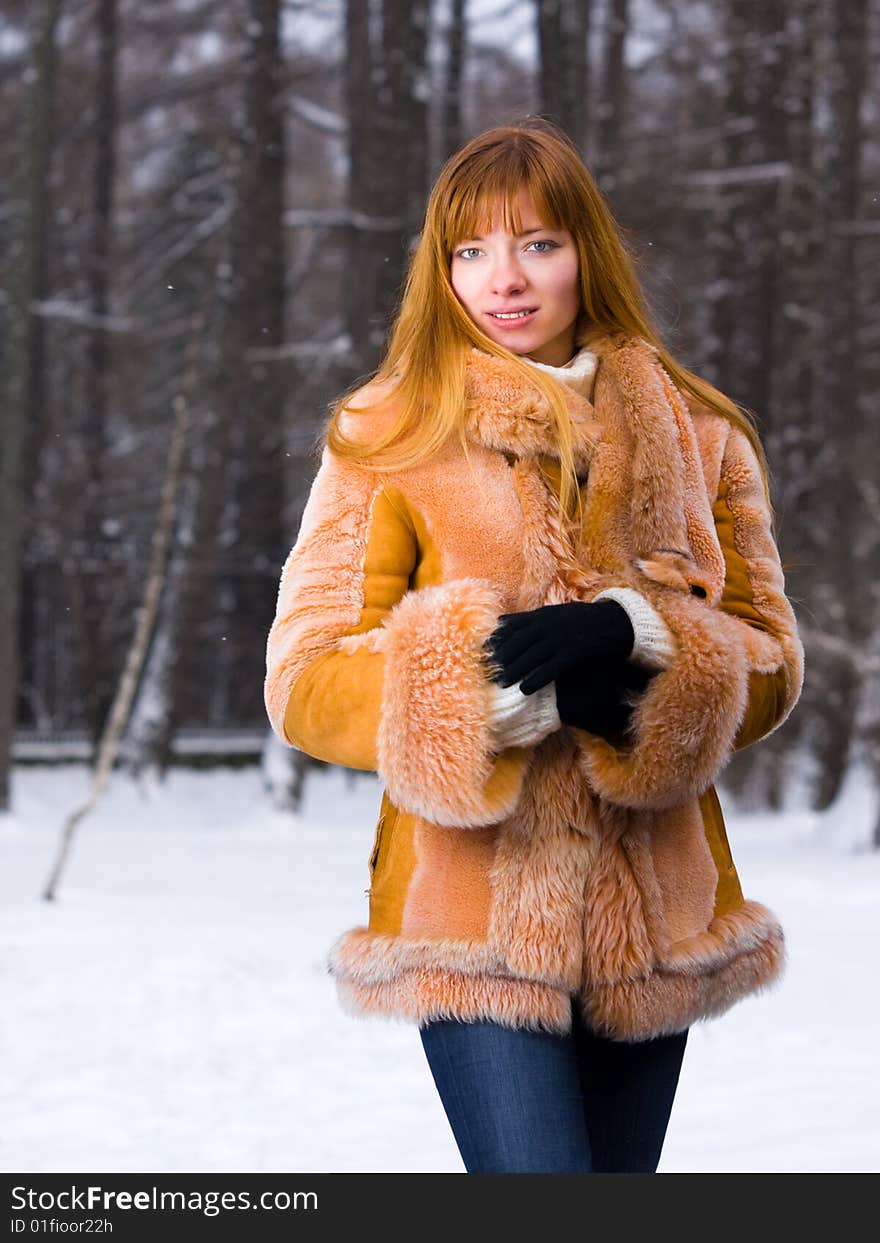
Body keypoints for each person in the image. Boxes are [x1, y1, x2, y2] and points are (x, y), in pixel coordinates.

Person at [263, 118, 804, 1173]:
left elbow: (772, 663)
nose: (502, 280)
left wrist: (642, 643)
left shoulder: (702, 436)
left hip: (655, 908)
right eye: (470, 251)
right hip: (466, 905)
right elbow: (305, 677)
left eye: (536, 244)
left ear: (584, 253)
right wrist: (506, 692)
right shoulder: (388, 432)